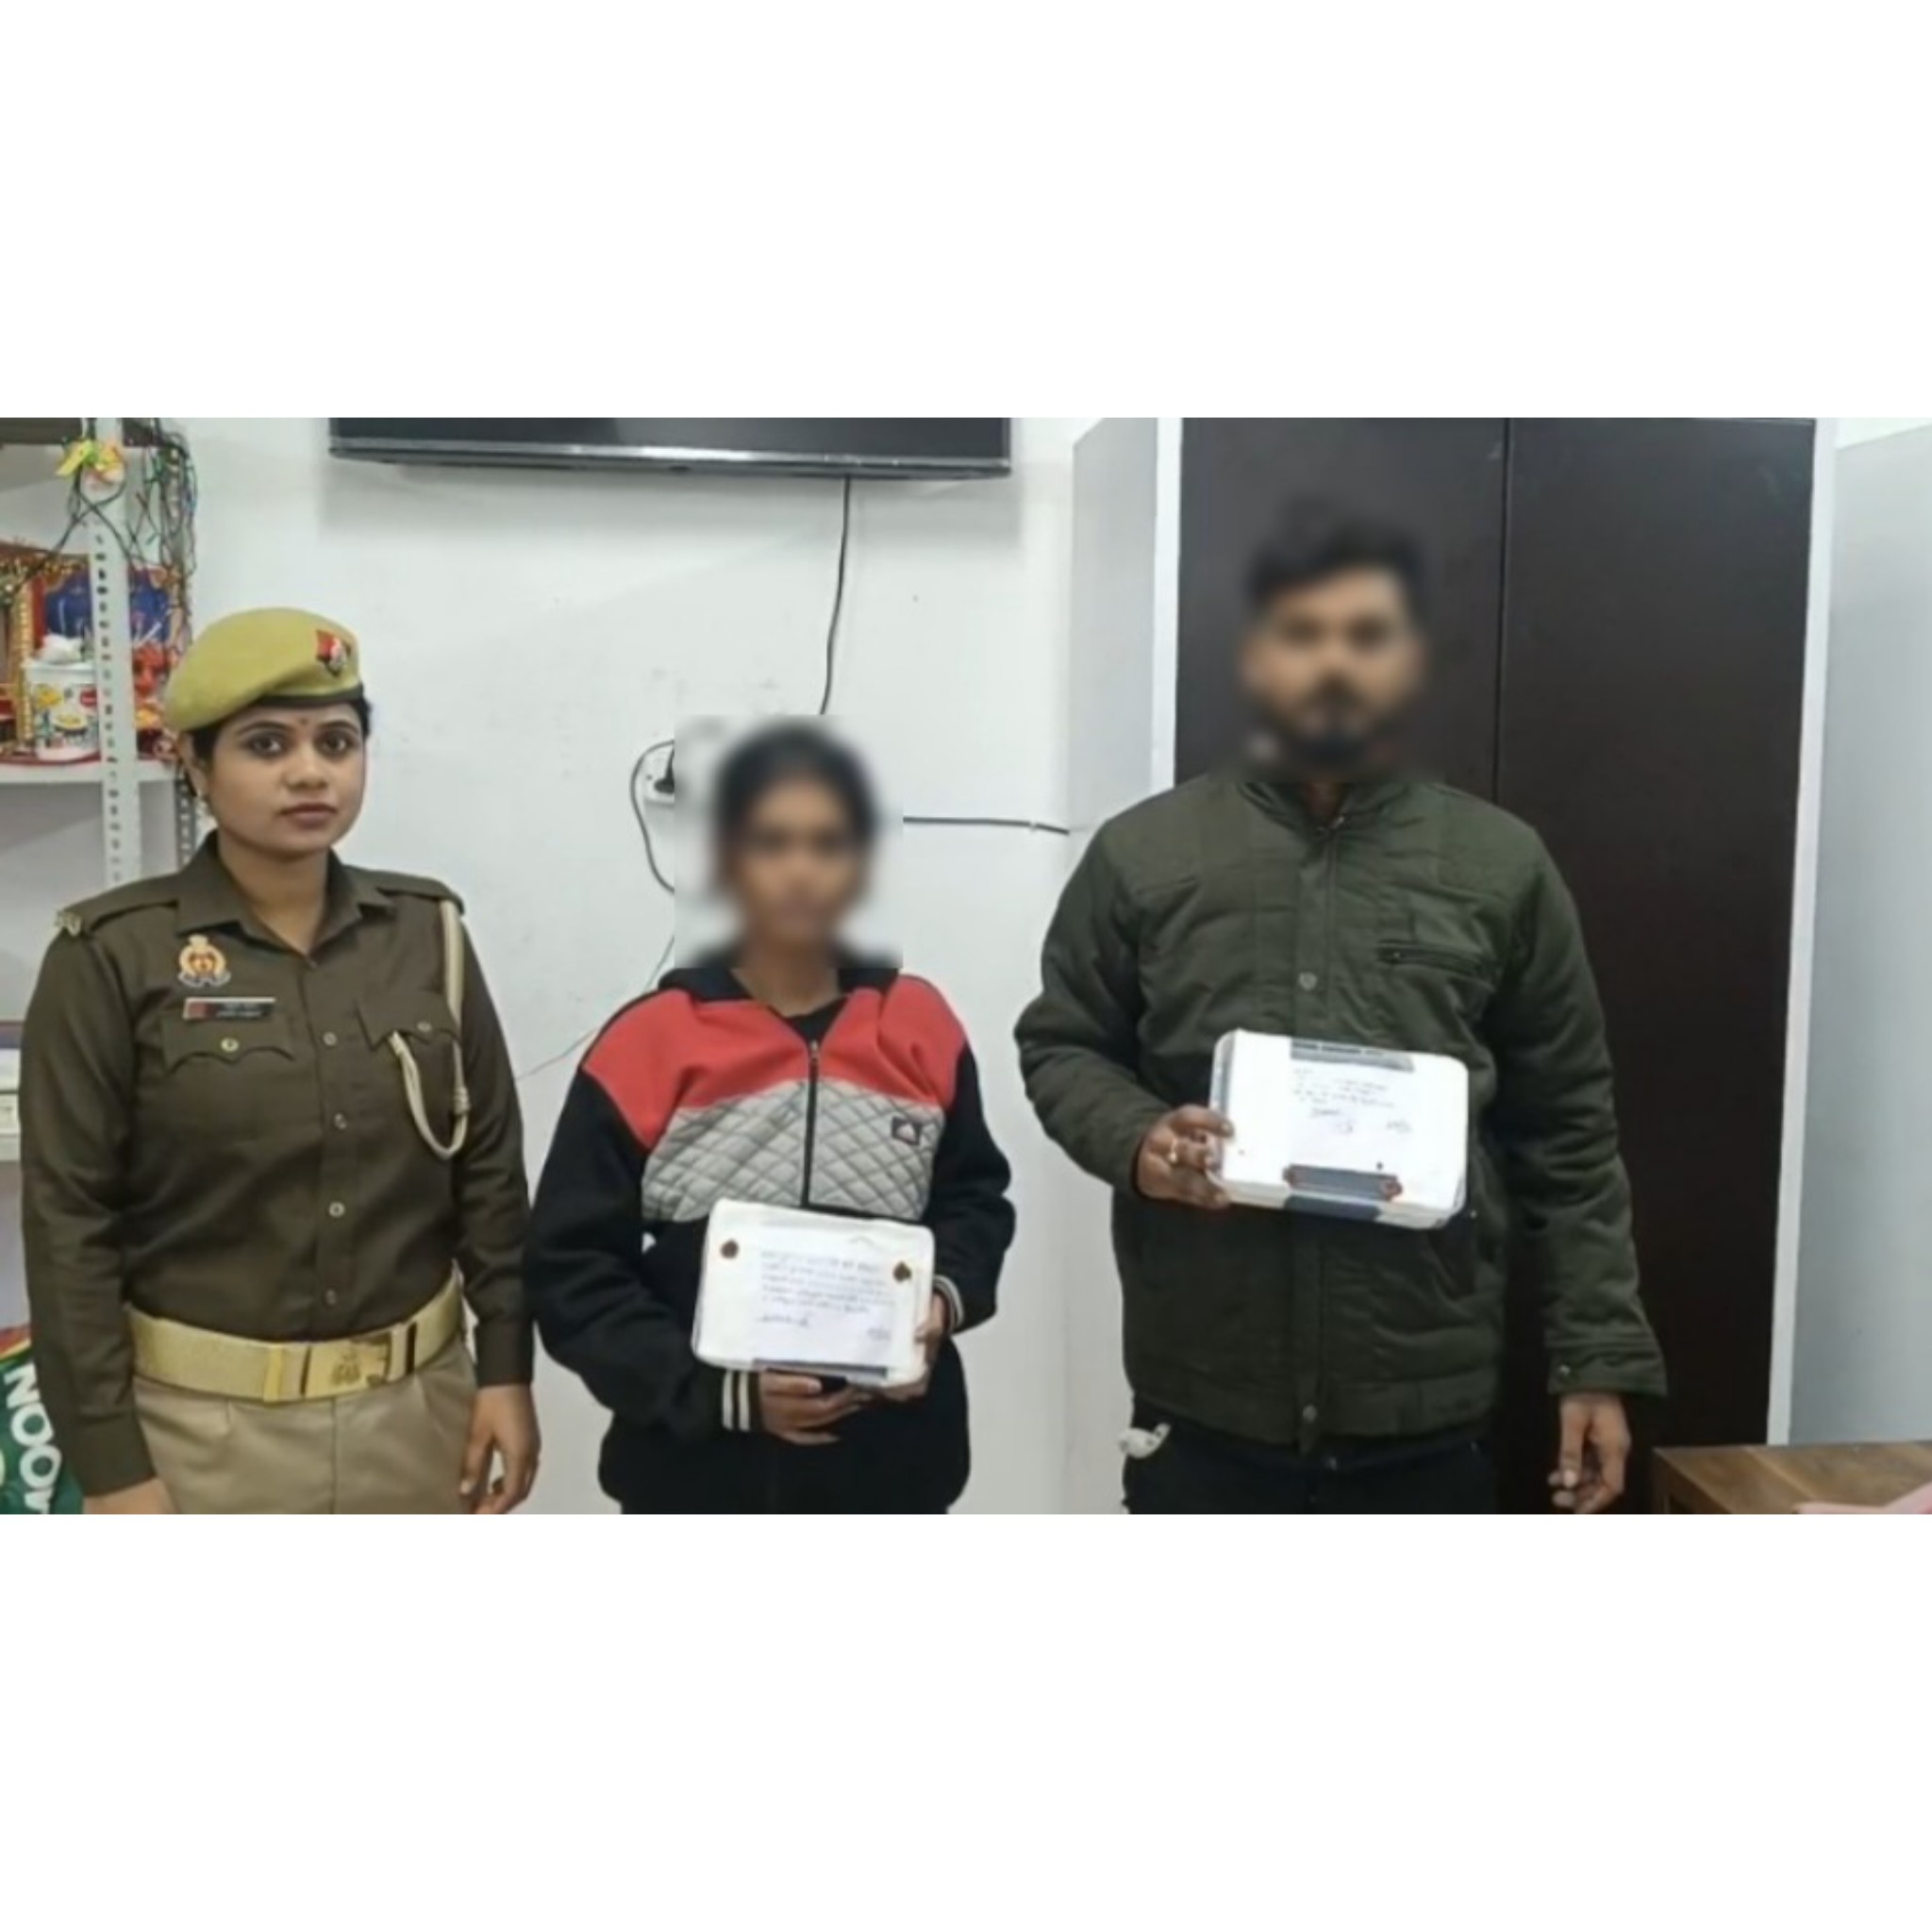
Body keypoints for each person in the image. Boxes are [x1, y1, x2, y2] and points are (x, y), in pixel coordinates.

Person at [1016, 505, 1665, 1515]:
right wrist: (1138, 1139)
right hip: (1203, 1395)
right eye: (1301, 633)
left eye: (1366, 635)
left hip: (1426, 1404)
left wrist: (1596, 1360)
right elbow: (1062, 1043)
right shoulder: (1144, 855)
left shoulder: (1499, 866)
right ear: (1255, 657)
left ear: (1410, 661)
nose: (1332, 662)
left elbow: (1569, 1131)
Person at [21, 608, 539, 1514]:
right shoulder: (113, 956)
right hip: (199, 1432)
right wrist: (111, 1467)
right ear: (194, 763)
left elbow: (489, 1174)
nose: (309, 772)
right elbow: (70, 1225)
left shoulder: (428, 936)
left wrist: (505, 1368)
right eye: (266, 745)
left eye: (337, 742)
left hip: (417, 1416)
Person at [527, 721, 1014, 1513]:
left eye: (828, 844)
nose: (800, 870)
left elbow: (975, 1202)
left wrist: (942, 1299)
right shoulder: (647, 1043)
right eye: (771, 843)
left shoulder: (921, 1025)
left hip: (895, 1470)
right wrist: (712, 1394)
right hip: (692, 1474)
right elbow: (572, 1268)